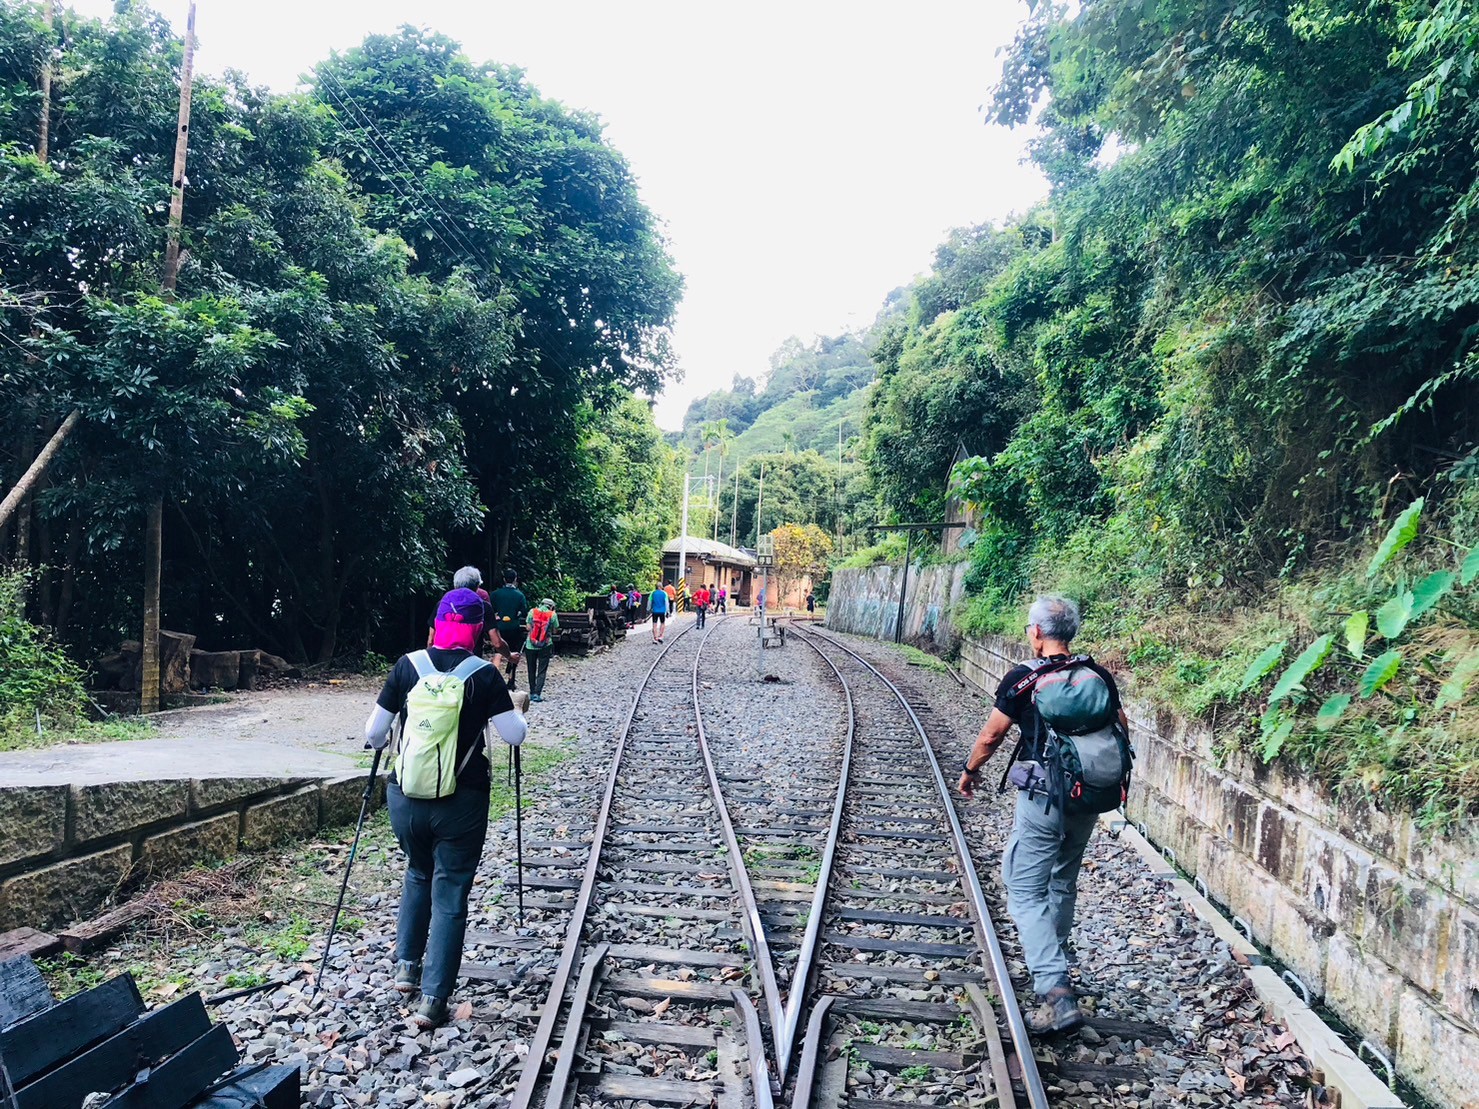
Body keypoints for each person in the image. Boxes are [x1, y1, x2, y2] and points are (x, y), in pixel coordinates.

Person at [956, 595, 1126, 1035]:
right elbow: (1120, 728)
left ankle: (1055, 990)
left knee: (1024, 889)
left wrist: (970, 771)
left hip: (1043, 798)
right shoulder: (1097, 675)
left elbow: (991, 736)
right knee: (1062, 880)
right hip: (1088, 795)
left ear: (1035, 632)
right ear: (1071, 633)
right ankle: (1057, 959)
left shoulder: (1023, 679)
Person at [364, 588, 526, 1029]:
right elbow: (514, 735)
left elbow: (374, 734)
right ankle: (434, 1000)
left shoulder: (408, 665)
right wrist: (518, 708)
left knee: (418, 871)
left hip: (406, 799)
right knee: (451, 890)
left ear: (437, 624)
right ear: (477, 631)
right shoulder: (483, 675)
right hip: (461, 803)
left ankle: (406, 968)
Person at [426, 566, 488, 649]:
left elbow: (431, 640)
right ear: (477, 586)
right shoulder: (483, 605)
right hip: (470, 654)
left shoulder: (442, 604)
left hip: (442, 653)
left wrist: (431, 655)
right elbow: (497, 642)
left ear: (455, 585)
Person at [488, 568, 529, 690]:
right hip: (513, 627)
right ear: (515, 579)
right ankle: (511, 679)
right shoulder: (519, 595)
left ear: (504, 579)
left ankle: (493, 679)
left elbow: (490, 609)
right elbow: (524, 611)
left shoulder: (495, 594)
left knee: (498, 652)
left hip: (499, 626)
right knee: (514, 653)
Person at [524, 598, 559, 702]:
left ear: (541, 604)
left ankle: (532, 692)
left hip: (530, 645)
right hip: (546, 645)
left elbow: (528, 628)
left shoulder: (532, 611)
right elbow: (555, 630)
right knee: (542, 670)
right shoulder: (553, 614)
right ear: (551, 606)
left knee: (531, 669)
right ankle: (537, 694)